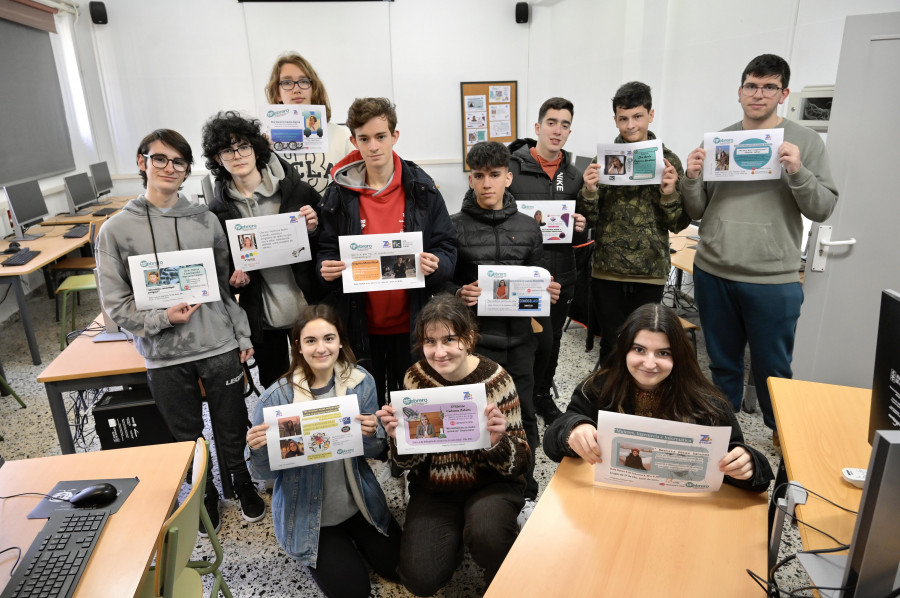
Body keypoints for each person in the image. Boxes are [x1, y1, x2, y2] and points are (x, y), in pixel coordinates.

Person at [95, 128, 265, 534]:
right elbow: (115, 306)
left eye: (179, 161)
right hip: (164, 353)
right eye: (160, 159)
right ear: (143, 162)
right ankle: (201, 493)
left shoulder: (205, 220)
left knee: (231, 423)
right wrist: (161, 320)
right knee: (186, 433)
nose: (170, 168)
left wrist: (241, 337)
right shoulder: (115, 230)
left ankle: (241, 484)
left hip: (218, 344)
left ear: (188, 168)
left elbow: (225, 290)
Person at [681, 54, 838, 445]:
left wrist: (798, 172)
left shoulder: (805, 141)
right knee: (722, 363)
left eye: (769, 87)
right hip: (714, 270)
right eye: (752, 85)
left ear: (783, 93)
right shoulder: (718, 141)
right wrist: (691, 177)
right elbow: (697, 210)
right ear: (739, 92)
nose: (759, 93)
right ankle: (722, 432)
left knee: (774, 367)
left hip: (773, 278)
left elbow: (822, 207)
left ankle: (779, 432)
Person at [376, 294, 530, 595]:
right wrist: (398, 441)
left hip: (491, 484)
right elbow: (408, 465)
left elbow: (520, 463)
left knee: (489, 534)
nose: (440, 351)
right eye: (429, 342)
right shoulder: (415, 379)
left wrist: (496, 443)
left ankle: (499, 570)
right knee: (420, 579)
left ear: (470, 338)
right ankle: (454, 540)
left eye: (450, 339)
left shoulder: (497, 380)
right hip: (436, 488)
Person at [246, 304, 402, 598]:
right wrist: (257, 449)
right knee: (353, 592)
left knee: (399, 568)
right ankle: (331, 547)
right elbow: (264, 474)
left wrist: (373, 432)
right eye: (311, 340)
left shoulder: (361, 382)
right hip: (308, 512)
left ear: (340, 341)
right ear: (298, 347)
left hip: (357, 500)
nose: (321, 348)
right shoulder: (275, 398)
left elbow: (375, 451)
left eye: (329, 338)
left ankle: (354, 538)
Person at [317, 97, 457, 407]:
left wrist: (438, 264)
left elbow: (447, 247)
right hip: (359, 324)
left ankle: (407, 456)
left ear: (394, 136)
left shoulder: (422, 189)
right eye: (364, 139)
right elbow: (325, 250)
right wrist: (325, 269)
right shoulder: (338, 194)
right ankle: (375, 452)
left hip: (413, 322)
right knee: (365, 403)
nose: (373, 146)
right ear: (353, 140)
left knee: (413, 403)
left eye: (381, 136)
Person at [544, 304, 773, 492]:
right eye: (639, 350)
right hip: (610, 496)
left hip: (681, 507)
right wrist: (573, 429)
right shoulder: (597, 388)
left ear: (679, 355)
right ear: (624, 348)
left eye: (663, 353)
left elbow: (751, 471)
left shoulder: (706, 402)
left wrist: (748, 462)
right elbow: (553, 441)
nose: (650, 363)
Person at [449, 141, 561, 514]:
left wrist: (548, 289)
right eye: (478, 176)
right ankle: (478, 484)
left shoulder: (528, 228)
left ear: (508, 177)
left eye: (494, 175)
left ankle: (526, 488)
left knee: (524, 414)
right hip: (476, 346)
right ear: (470, 178)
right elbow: (440, 287)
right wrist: (457, 292)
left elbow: (540, 281)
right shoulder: (454, 227)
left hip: (521, 341)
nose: (486, 184)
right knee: (477, 416)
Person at [202, 111, 325, 389]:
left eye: (243, 146)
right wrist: (233, 277)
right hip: (263, 315)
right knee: (276, 387)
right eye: (227, 150)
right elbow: (220, 266)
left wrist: (314, 230)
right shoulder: (217, 211)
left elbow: (328, 248)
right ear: (218, 159)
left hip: (308, 307)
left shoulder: (297, 192)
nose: (237, 155)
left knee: (320, 383)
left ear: (257, 150)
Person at [579, 81, 691, 367]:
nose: (630, 125)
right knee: (611, 347)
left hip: (650, 272)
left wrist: (669, 194)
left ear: (650, 115)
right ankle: (605, 408)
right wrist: (589, 192)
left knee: (643, 349)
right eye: (623, 118)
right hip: (607, 271)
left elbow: (678, 224)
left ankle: (636, 408)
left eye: (637, 116)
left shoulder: (669, 161)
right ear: (615, 118)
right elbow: (587, 220)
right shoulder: (601, 161)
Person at [508, 97, 588, 425]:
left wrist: (583, 224)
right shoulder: (511, 168)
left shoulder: (573, 175)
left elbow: (581, 227)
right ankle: (516, 398)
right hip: (521, 275)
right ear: (538, 127)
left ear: (570, 131)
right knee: (521, 341)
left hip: (561, 275)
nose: (558, 130)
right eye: (552, 123)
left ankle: (541, 396)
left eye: (565, 124)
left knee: (551, 343)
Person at [264, 53, 354, 194]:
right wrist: (263, 153)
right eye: (287, 82)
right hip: (291, 215)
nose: (296, 89)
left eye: (304, 81)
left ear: (313, 88)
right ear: (278, 93)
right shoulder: (265, 143)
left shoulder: (343, 136)